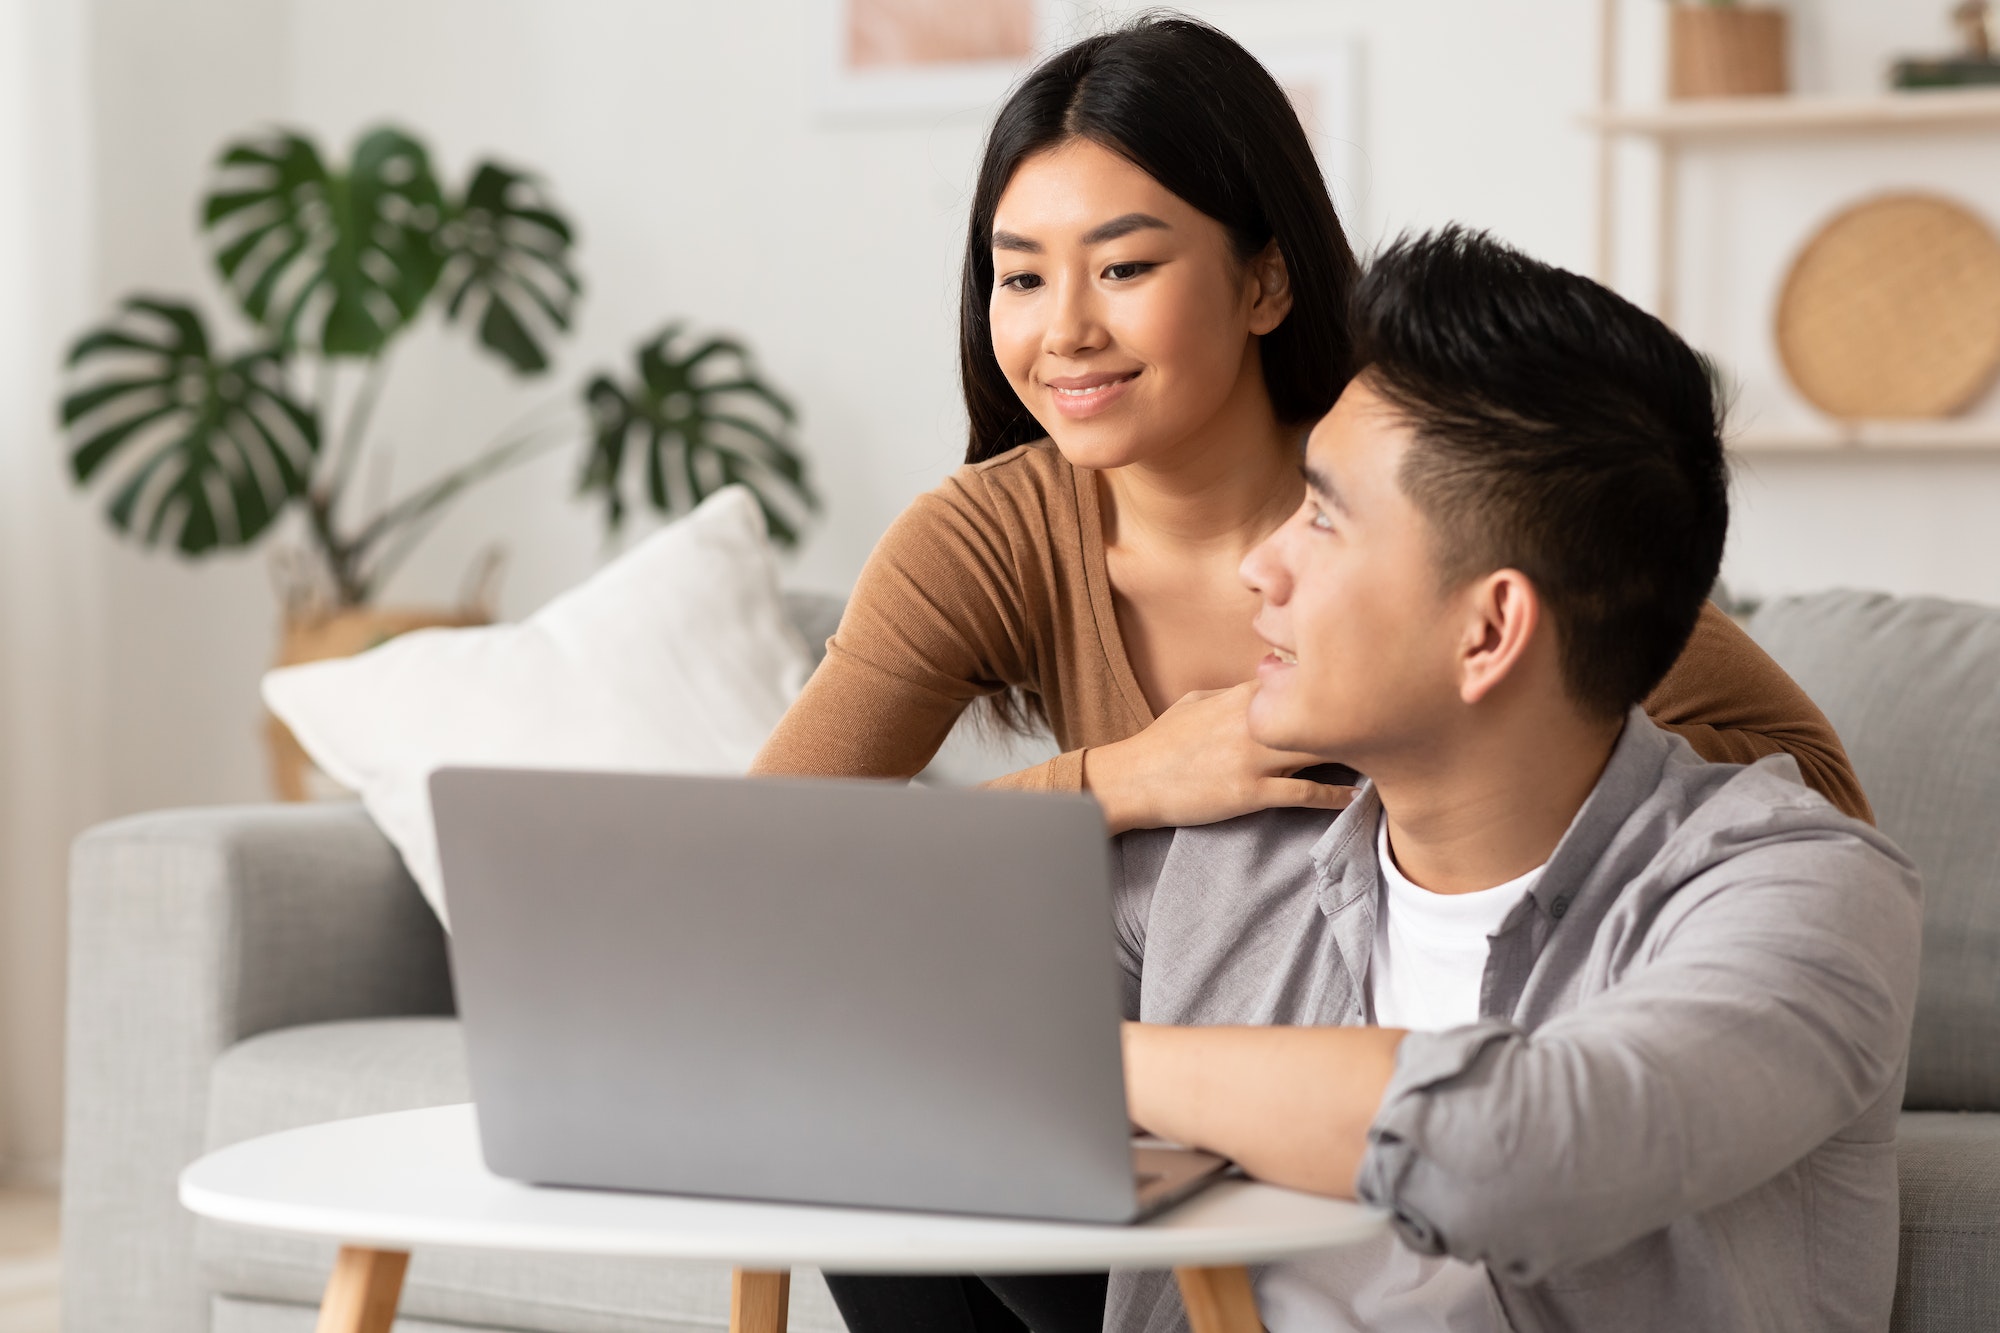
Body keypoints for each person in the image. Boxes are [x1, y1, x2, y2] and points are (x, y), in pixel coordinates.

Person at [752, 14, 1871, 829]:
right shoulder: (985, 543)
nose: (1065, 332)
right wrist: (1118, 780)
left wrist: (1450, 752)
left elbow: (1814, 784)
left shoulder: (1426, 477)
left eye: (1125, 265)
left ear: (1264, 284)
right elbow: (760, 853)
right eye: (1020, 279)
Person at [1105, 228, 1921, 1332]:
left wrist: (1087, 1066)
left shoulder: (1800, 896)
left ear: (1489, 629)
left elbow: (1517, 1147)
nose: (1259, 563)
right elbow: (874, 1006)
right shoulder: (1231, 854)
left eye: (1323, 516)